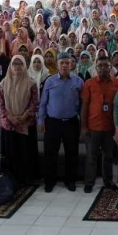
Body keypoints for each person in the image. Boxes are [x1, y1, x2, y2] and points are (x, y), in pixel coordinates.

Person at [38, 51, 83, 192]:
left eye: (67, 63)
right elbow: (43, 103)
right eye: (62, 63)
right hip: (52, 122)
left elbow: (82, 104)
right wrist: (40, 120)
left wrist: (83, 123)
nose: (64, 65)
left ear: (72, 65)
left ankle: (70, 181)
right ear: (57, 65)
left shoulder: (78, 81)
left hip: (71, 122)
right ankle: (49, 181)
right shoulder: (50, 81)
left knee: (72, 153)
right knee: (50, 153)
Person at [81, 55, 118, 193]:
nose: (103, 68)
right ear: (96, 67)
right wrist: (84, 126)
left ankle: (108, 181)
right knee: (91, 156)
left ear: (110, 67)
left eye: (106, 66)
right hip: (93, 127)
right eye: (100, 66)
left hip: (110, 127)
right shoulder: (89, 83)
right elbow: (84, 106)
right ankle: (89, 182)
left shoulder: (117, 83)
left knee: (108, 156)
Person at [0, 55, 39, 185]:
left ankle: (26, 179)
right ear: (10, 66)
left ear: (24, 66)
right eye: (14, 64)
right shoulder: (4, 83)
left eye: (20, 64)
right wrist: (10, 117)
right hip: (9, 124)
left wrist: (23, 117)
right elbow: (1, 104)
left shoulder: (31, 82)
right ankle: (11, 179)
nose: (17, 67)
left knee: (25, 152)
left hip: (26, 123)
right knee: (11, 152)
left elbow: (34, 103)